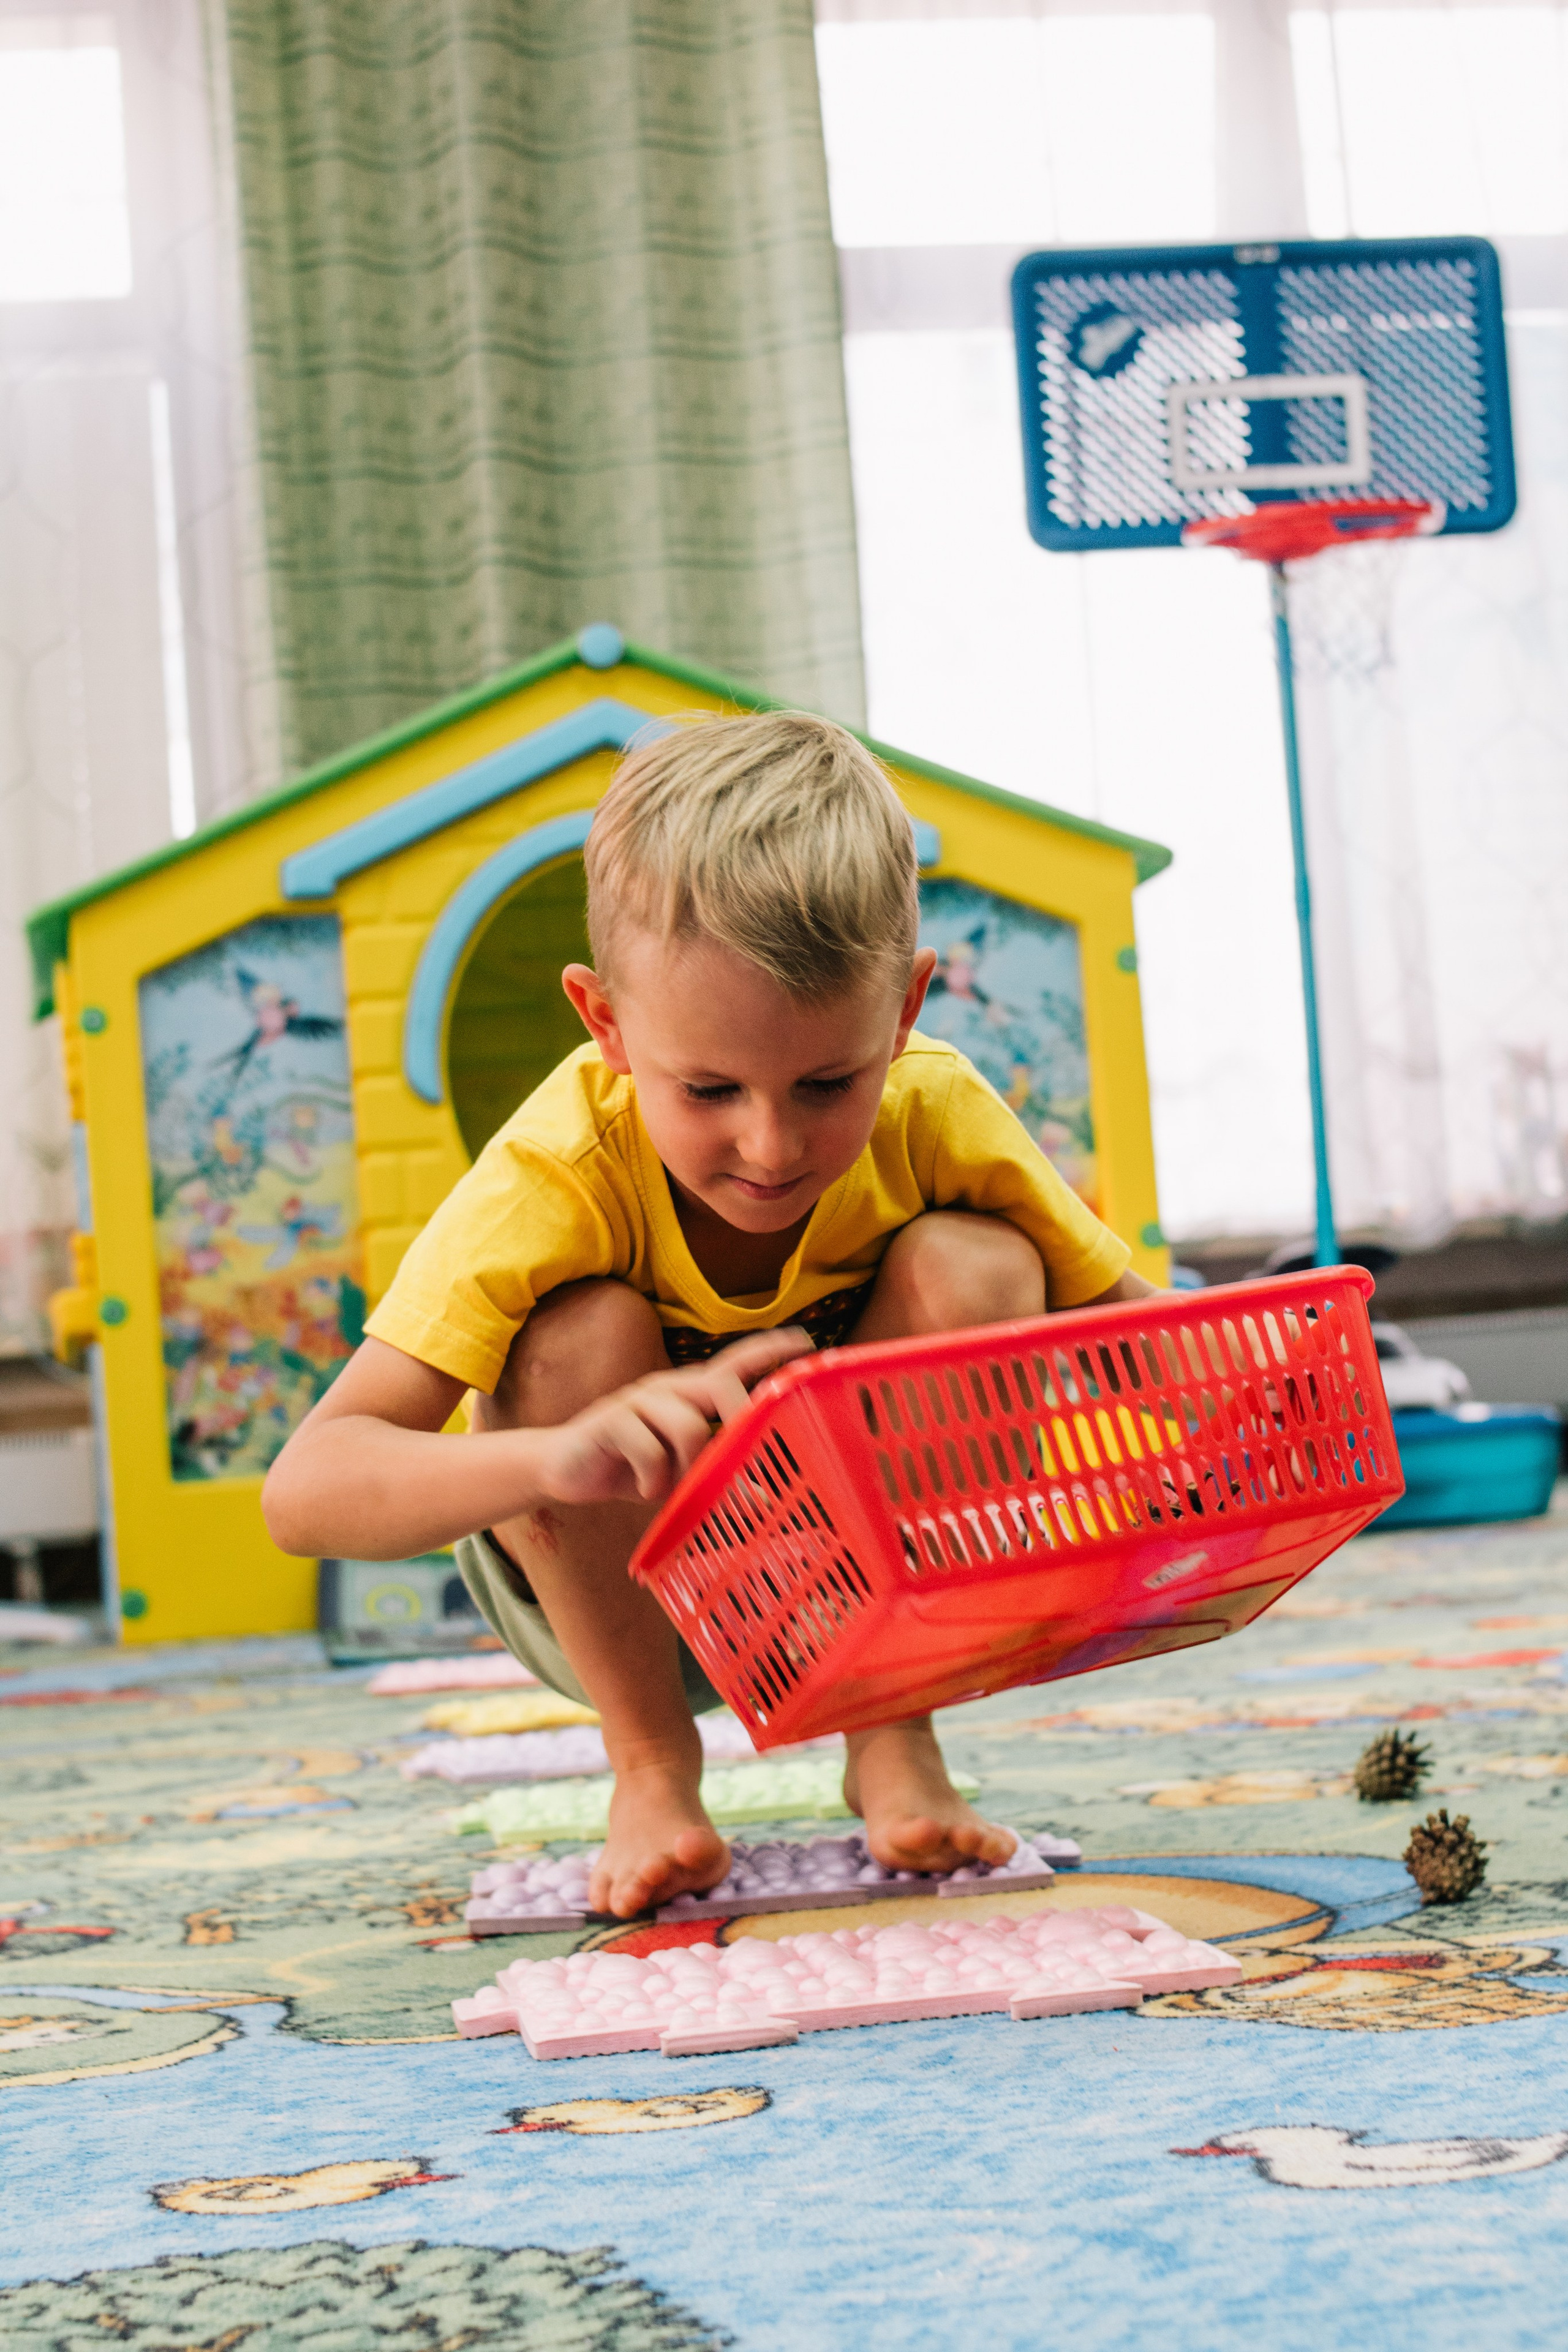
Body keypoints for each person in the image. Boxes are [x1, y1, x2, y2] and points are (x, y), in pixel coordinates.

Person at [262, 712, 1156, 1917]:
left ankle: (891, 1730)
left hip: (849, 1582)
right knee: (574, 1332)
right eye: (709, 1090)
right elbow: (304, 1491)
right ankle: (649, 1768)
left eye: (826, 1084)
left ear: (902, 1011)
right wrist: (554, 1454)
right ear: (606, 1025)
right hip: (613, 1590)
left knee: (983, 1267)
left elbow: (1142, 1336)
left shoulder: (937, 1107)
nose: (770, 1145)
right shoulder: (555, 1170)